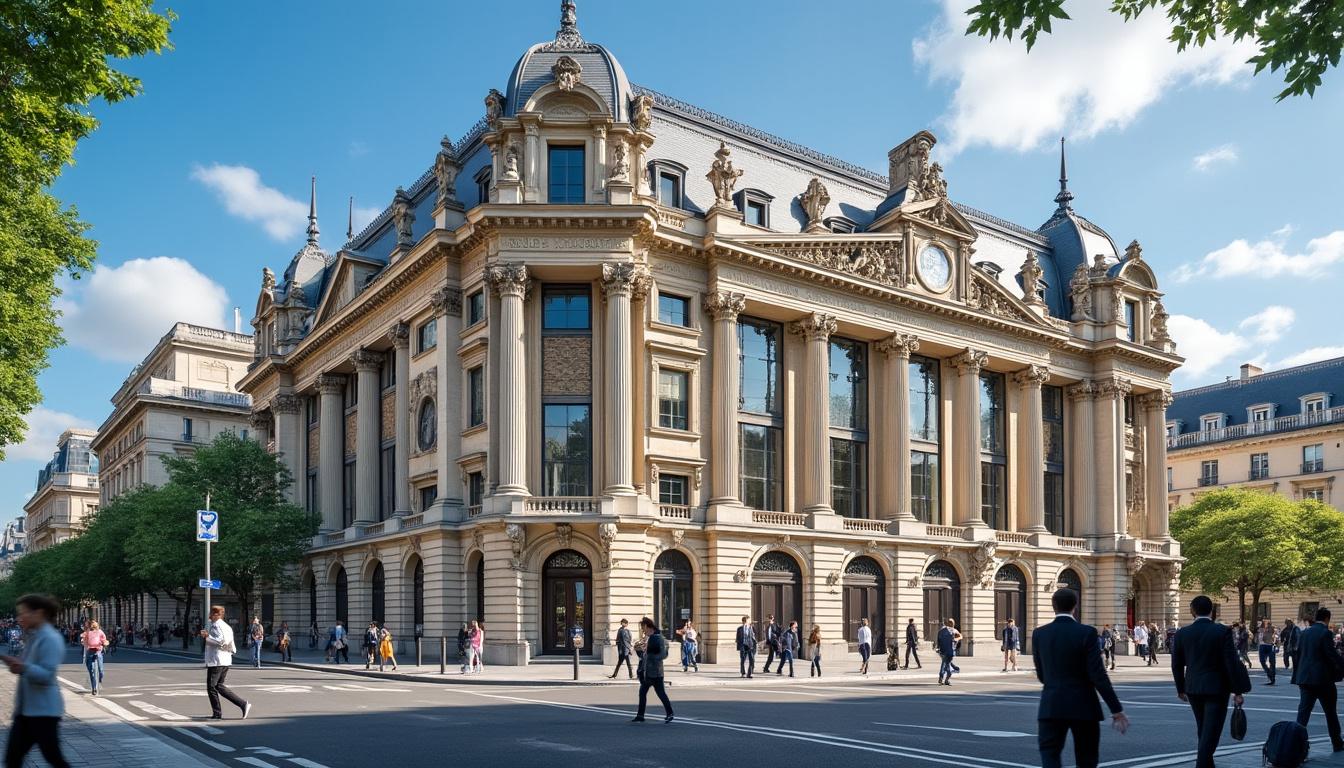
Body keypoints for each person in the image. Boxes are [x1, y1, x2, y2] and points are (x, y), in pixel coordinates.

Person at [1033, 588, 1127, 768]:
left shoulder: (1039, 633)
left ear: (1053, 606)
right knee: (1086, 758)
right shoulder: (1087, 632)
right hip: (1084, 705)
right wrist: (1116, 709)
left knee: (1050, 756)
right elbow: (1098, 674)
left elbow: (1042, 675)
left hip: (1051, 704)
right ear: (1075, 606)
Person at [1171, 595, 1252, 768]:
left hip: (1193, 687)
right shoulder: (1222, 631)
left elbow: (1176, 664)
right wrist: (1237, 691)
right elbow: (1231, 663)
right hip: (1217, 688)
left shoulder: (1182, 633)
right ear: (1211, 611)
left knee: (1203, 729)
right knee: (1211, 733)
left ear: (1192, 611)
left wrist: (1180, 688)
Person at [2, 594, 71, 768]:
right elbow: (26, 666)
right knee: (13, 759)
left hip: (44, 712)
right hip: (28, 710)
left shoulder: (50, 638)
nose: (19, 618)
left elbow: (47, 675)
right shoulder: (35, 636)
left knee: (53, 759)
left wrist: (23, 667)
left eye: (23, 613)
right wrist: (13, 663)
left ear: (38, 613)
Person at [1292, 606, 1344, 752]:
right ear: (1327, 619)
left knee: (1303, 714)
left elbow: (1298, 654)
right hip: (1322, 679)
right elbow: (1331, 655)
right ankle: (1337, 742)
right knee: (1330, 713)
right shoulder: (1325, 633)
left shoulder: (1305, 632)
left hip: (1305, 678)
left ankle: (1295, 744)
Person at [199, 605, 251, 721]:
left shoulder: (217, 626)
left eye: (212, 613)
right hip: (224, 660)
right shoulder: (225, 626)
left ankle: (217, 713)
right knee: (219, 686)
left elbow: (221, 642)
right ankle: (243, 704)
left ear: (217, 615)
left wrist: (207, 636)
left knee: (211, 687)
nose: (209, 615)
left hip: (217, 660)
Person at [630, 617, 673, 723]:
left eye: (643, 628)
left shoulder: (656, 638)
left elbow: (662, 655)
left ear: (647, 627)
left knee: (653, 693)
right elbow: (648, 655)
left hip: (653, 672)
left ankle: (641, 715)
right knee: (655, 693)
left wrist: (648, 653)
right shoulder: (654, 638)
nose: (643, 631)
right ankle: (668, 713)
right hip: (653, 671)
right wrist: (642, 651)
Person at [79, 620, 107, 695]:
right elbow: (84, 639)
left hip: (97, 651)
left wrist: (104, 643)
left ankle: (100, 678)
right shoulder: (88, 632)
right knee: (93, 670)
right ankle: (94, 687)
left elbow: (104, 639)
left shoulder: (99, 632)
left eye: (94, 626)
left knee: (98, 670)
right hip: (91, 651)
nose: (93, 628)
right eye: (92, 626)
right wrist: (84, 641)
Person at [936, 618, 961, 685]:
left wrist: (938, 648)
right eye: (952, 623)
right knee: (946, 664)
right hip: (949, 651)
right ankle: (944, 678)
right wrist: (956, 639)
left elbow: (938, 640)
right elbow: (960, 636)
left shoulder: (942, 631)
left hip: (944, 651)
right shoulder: (953, 630)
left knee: (945, 663)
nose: (953, 624)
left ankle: (943, 678)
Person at [1256, 618, 1278, 685]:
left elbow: (1276, 637)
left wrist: (1276, 644)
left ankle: (1272, 678)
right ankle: (1269, 673)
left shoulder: (1272, 628)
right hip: (1262, 646)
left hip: (1270, 646)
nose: (1265, 622)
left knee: (1272, 662)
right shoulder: (1260, 629)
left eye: (1266, 621)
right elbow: (1257, 638)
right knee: (1262, 661)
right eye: (1264, 621)